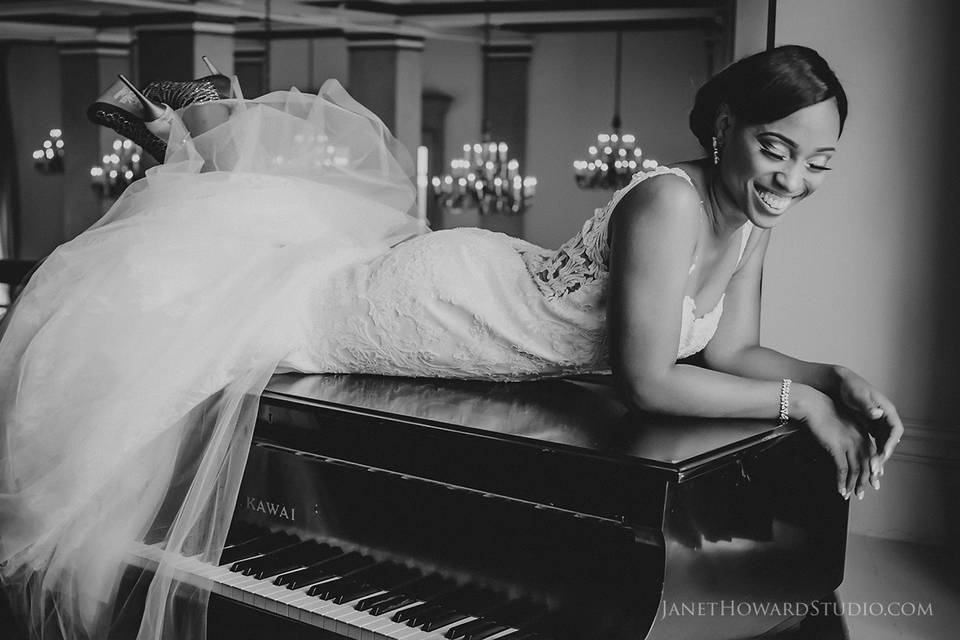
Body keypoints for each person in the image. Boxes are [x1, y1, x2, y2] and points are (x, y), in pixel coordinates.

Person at [0, 45, 902, 640]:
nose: (793, 179)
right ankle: (186, 136)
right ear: (725, 130)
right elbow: (648, 380)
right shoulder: (671, 200)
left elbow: (733, 352)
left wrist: (835, 376)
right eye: (776, 149)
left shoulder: (749, 220)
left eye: (818, 162)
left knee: (284, 267)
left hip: (495, 303)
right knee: (272, 302)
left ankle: (195, 130)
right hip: (445, 304)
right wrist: (805, 406)